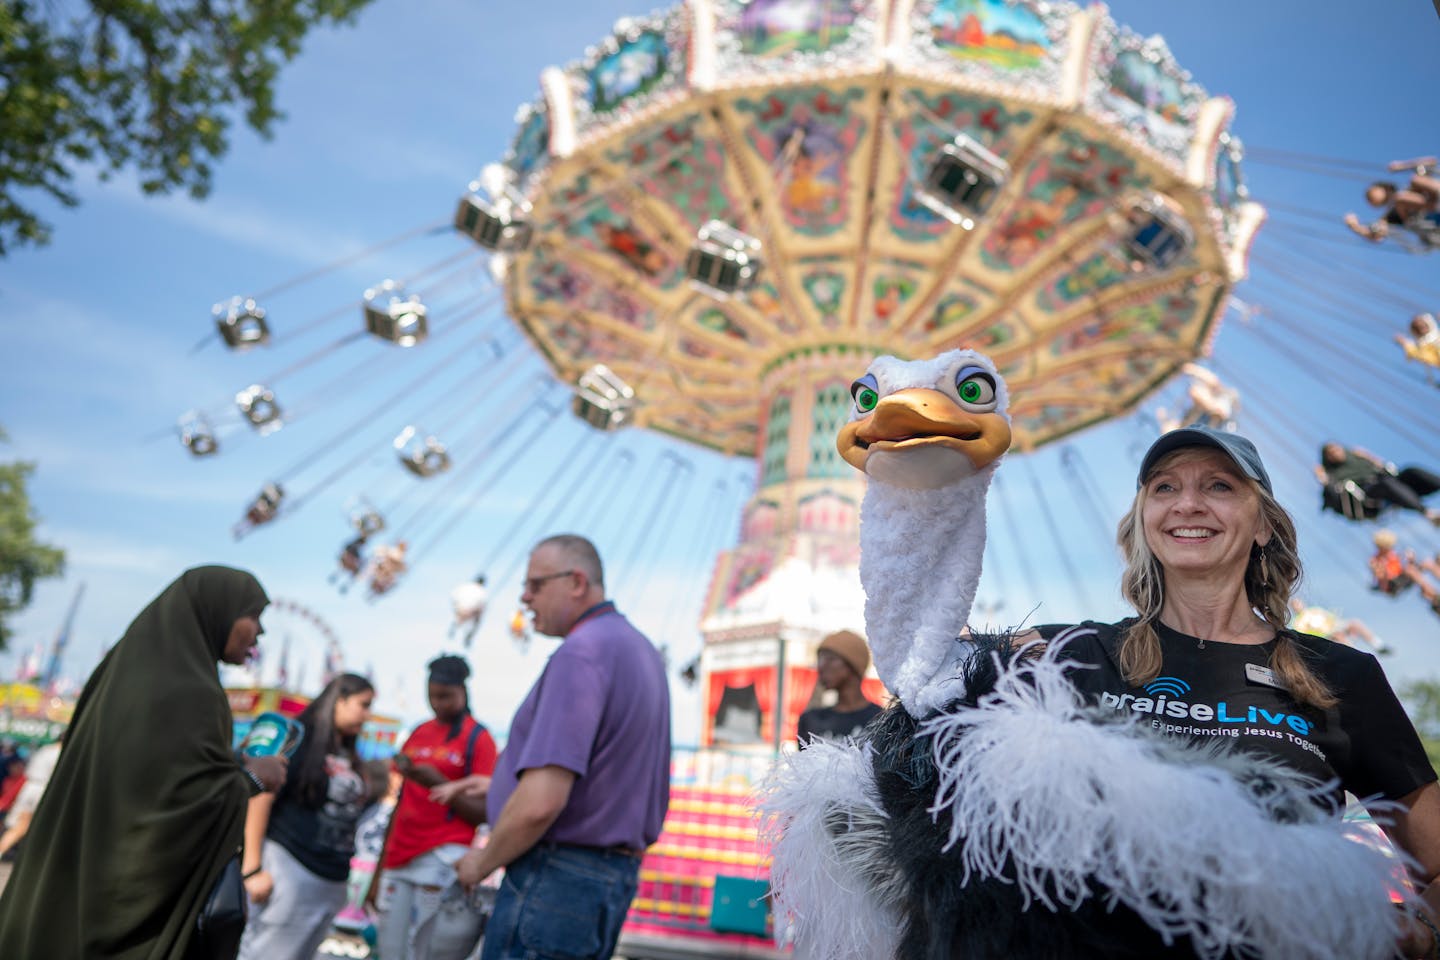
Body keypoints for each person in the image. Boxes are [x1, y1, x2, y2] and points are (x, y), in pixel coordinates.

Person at [1035, 425, 1440, 958]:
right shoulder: (1071, 652)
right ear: (1144, 520)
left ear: (1264, 527)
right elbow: (922, 656)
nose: (1188, 504)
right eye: (1164, 488)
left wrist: (1419, 931)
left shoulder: (1343, 674)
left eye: (1220, 487)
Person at [0, 565, 289, 960]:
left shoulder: (119, 671)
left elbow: (151, 777)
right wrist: (252, 779)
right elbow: (179, 806)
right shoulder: (195, 693)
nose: (259, 631)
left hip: (66, 886)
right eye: (253, 615)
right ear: (217, 611)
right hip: (122, 918)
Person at [448, 534, 671, 960]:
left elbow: (540, 803)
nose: (524, 597)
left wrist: (481, 863)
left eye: (535, 584)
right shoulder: (638, 649)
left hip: (557, 878)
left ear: (576, 582)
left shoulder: (581, 652)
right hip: (606, 878)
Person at [238, 672, 376, 960]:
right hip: (290, 869)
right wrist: (251, 867)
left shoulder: (347, 750)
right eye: (363, 705)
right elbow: (261, 794)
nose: (367, 715)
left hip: (330, 878)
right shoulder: (300, 736)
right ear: (339, 700)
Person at [370, 655, 496, 960]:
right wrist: (377, 871)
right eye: (432, 696)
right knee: (389, 949)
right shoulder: (418, 732)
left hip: (441, 858)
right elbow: (400, 802)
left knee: (427, 951)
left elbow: (485, 812)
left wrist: (441, 784)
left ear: (463, 693)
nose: (438, 703)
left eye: (445, 696)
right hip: (399, 854)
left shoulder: (478, 739)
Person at [1317, 441, 1440, 524]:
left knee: (1411, 471)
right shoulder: (1331, 473)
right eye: (1331, 454)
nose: (1336, 453)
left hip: (1385, 478)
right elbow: (1330, 491)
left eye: (1336, 449)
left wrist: (1369, 456)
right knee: (1386, 484)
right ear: (1328, 458)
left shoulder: (1357, 457)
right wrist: (1322, 477)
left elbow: (1381, 465)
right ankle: (1427, 512)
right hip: (1367, 492)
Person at [796, 629, 883, 745]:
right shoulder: (811, 720)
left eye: (830, 659)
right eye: (820, 659)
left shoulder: (880, 721)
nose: (821, 666)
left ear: (853, 666)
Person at [0, 733, 63, 861]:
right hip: (42, 789)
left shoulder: (45, 749)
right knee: (28, 825)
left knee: (20, 823)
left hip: (29, 787)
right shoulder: (60, 753)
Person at [1398, 313, 1440, 383]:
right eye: (1419, 327)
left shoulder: (1437, 334)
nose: (1422, 327)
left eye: (1422, 324)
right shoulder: (1424, 347)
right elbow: (1419, 355)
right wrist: (1405, 343)